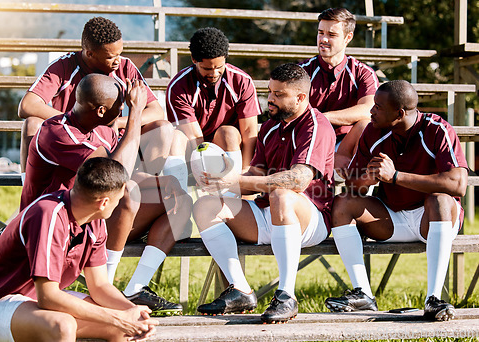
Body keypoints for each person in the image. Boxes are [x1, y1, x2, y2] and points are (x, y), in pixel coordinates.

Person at [21, 73, 193, 314]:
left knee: (181, 200)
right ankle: (105, 287)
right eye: (120, 105)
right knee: (127, 192)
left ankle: (136, 287)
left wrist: (164, 181)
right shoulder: (58, 133)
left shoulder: (102, 129)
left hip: (93, 219)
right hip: (53, 227)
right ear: (101, 110)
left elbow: (123, 173)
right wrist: (135, 114)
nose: (124, 109)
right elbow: (116, 174)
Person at [192, 63, 335, 323]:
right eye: (269, 91)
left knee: (282, 194)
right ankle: (240, 290)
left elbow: (298, 180)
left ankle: (286, 295)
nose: (270, 98)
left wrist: (235, 181)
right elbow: (256, 174)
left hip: (310, 219)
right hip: (268, 211)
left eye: (279, 94)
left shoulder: (316, 125)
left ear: (301, 98)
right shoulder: (269, 126)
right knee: (204, 205)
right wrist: (223, 182)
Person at [324, 80, 468, 321]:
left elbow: (458, 185)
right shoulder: (372, 130)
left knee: (441, 200)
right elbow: (352, 184)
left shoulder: (436, 129)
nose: (371, 111)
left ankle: (433, 299)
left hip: (431, 219)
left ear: (400, 113)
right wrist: (366, 181)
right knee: (343, 203)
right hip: (392, 218)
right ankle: (363, 295)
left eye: (378, 107)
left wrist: (397, 177)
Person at [0, 157, 159, 342]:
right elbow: (48, 296)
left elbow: (100, 286)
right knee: (63, 326)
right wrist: (118, 318)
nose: (119, 204)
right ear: (104, 202)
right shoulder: (48, 215)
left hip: (37, 299)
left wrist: (131, 312)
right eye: (119, 199)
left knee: (124, 330)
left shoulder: (95, 221)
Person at [18, 16, 171, 176]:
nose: (118, 60)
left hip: (112, 138)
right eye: (111, 57)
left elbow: (156, 111)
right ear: (90, 54)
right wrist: (75, 122)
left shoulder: (125, 67)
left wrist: (117, 123)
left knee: (162, 128)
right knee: (32, 124)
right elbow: (27, 105)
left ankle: (146, 189)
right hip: (72, 140)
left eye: (120, 53)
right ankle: (30, 194)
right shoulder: (64, 66)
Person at [164, 27, 261, 192]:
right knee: (175, 137)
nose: (214, 73)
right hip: (194, 149)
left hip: (228, 146)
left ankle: (233, 192)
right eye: (207, 69)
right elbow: (195, 138)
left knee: (228, 133)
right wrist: (204, 173)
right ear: (194, 60)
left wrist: (245, 171)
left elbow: (250, 131)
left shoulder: (242, 81)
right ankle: (179, 198)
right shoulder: (178, 86)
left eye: (220, 67)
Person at [299, 7, 379, 174]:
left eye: (332, 35)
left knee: (367, 125)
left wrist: (323, 117)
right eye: (321, 33)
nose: (323, 39)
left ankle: (357, 194)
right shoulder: (302, 71)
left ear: (348, 37)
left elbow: (369, 110)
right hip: (310, 141)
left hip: (346, 144)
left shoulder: (363, 72)